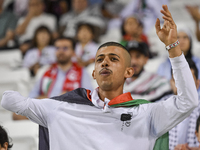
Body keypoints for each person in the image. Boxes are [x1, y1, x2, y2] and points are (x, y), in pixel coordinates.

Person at [1, 5, 199, 150]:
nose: (105, 63)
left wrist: (173, 46)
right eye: (100, 60)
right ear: (93, 73)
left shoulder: (146, 114)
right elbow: (8, 100)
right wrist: (53, 101)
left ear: (129, 72)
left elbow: (188, 101)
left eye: (113, 59)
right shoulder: (61, 108)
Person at [159, 59, 200, 150]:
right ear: (171, 83)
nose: (181, 86)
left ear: (197, 84)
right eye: (176, 80)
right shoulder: (160, 107)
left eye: (188, 81)